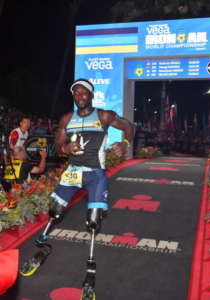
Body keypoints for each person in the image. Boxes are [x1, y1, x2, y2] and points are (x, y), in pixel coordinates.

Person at [19, 78, 135, 300]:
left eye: (84, 93)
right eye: (76, 93)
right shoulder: (66, 119)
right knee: (54, 211)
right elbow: (57, 146)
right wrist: (65, 147)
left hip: (95, 175)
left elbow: (130, 125)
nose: (79, 96)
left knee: (93, 221)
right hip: (72, 172)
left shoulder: (104, 116)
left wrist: (125, 143)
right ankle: (42, 248)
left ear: (92, 95)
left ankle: (90, 267)